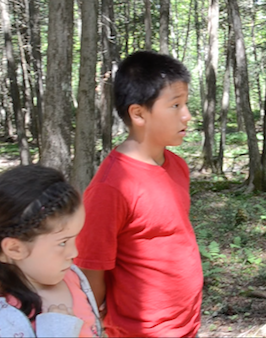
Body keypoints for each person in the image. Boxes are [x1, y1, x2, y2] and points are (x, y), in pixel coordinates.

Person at [74, 50, 203, 338]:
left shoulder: (177, 166)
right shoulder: (110, 188)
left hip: (187, 323)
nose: (187, 115)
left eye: (186, 104)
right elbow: (91, 271)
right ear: (138, 113)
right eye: (175, 105)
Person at [0, 165, 103, 337]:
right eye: (63, 243)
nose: (74, 253)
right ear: (15, 249)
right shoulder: (1, 322)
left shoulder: (72, 276)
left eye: (75, 238)